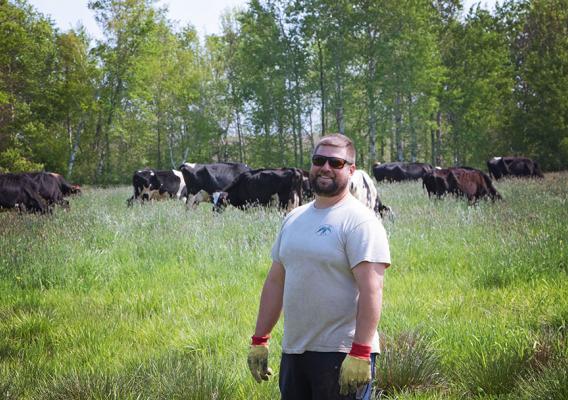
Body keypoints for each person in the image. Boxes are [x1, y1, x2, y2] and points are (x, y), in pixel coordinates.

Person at [247, 133, 391, 399]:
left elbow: (372, 289)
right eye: (318, 160)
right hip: (295, 352)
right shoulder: (293, 218)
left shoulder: (361, 222)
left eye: (336, 163)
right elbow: (276, 282)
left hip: (342, 354)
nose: (325, 167)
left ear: (351, 169)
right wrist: (260, 339)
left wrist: (360, 351)